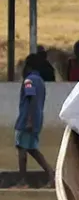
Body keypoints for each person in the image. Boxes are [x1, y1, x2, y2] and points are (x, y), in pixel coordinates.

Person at [15, 55, 54, 186]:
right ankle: (51, 174)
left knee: (22, 149)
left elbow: (31, 98)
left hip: (26, 120)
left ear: (28, 66)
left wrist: (29, 121)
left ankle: (22, 180)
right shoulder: (40, 81)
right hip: (37, 120)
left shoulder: (29, 81)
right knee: (32, 149)